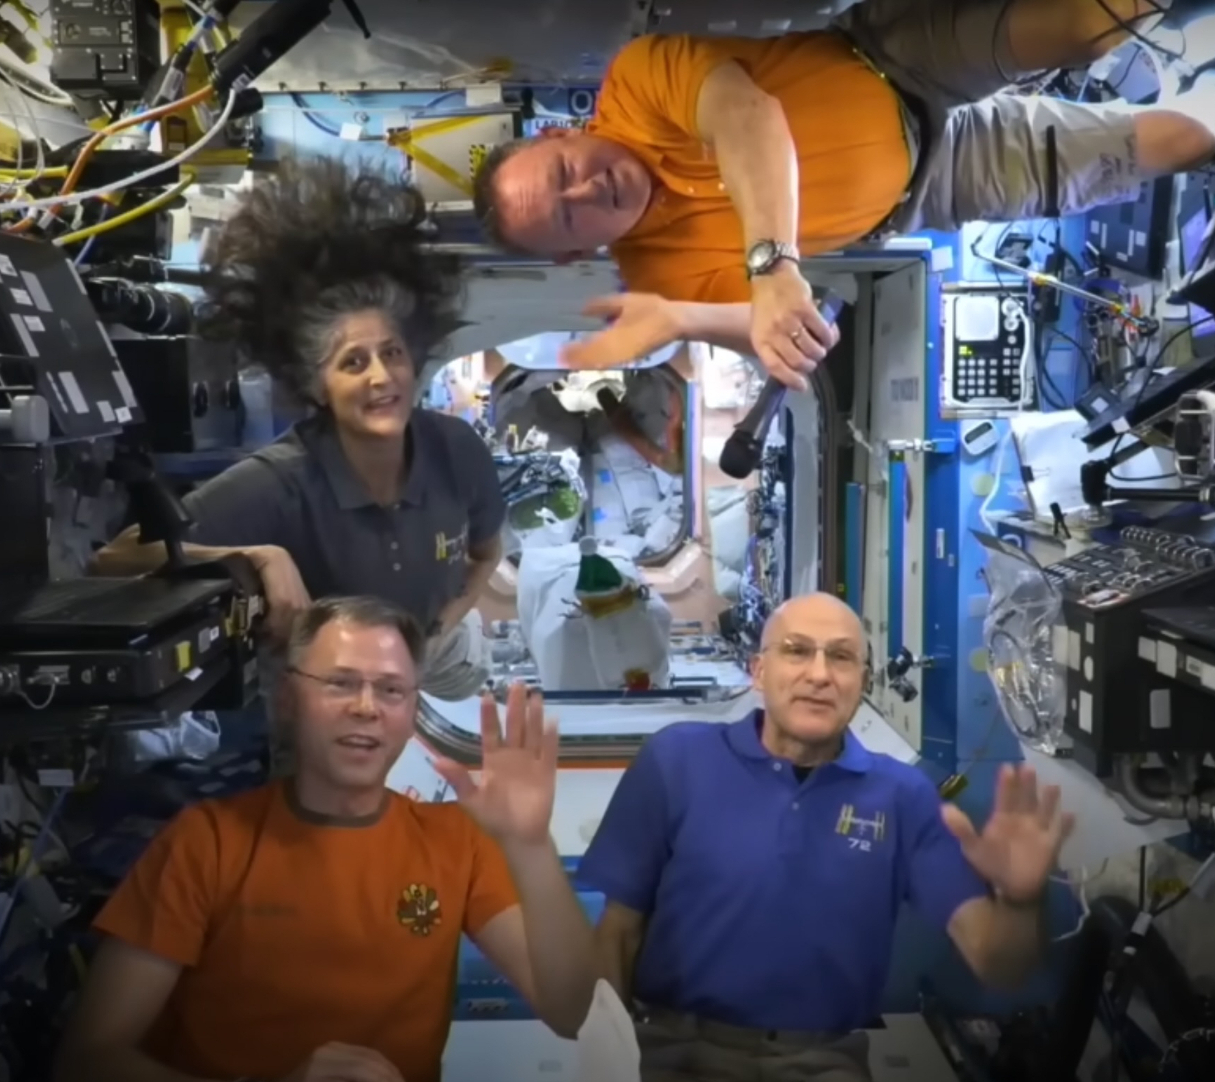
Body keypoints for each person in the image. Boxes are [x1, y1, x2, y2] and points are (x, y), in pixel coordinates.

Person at [472, 0, 1215, 383]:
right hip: (925, 187)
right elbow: (775, 332)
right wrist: (682, 317)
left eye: (565, 172)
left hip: (893, 63)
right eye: (569, 215)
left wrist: (771, 264)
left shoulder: (641, 79)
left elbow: (746, 116)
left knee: (1100, 19)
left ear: (558, 137)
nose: (588, 189)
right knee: (1172, 146)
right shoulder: (656, 275)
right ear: (578, 248)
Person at [56, 596, 597, 1082]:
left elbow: (569, 1010)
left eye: (390, 690)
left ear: (411, 713)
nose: (366, 706)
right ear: (289, 698)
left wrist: (530, 847)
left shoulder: (456, 840)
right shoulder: (207, 842)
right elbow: (88, 1059)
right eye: (340, 683)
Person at [579, 591, 1075, 1082]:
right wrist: (607, 1057)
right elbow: (618, 934)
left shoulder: (903, 797)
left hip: (818, 1061)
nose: (818, 674)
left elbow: (999, 966)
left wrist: (1019, 900)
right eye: (796, 650)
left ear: (861, 681)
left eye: (840, 657)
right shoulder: (676, 762)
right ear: (758, 672)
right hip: (672, 1049)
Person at [90, 156, 504, 701]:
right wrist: (257, 557)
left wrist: (440, 628)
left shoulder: (457, 451)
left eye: (392, 353)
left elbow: (487, 553)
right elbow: (113, 560)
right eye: (353, 363)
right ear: (316, 387)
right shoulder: (280, 485)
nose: (382, 376)